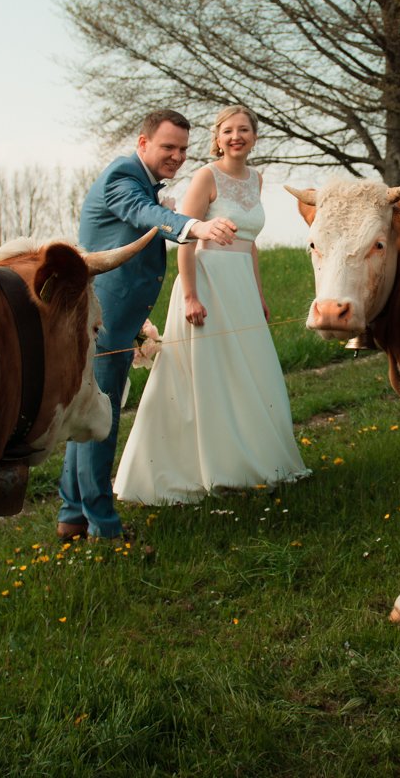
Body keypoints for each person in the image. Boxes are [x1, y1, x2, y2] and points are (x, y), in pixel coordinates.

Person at [114, 105, 310, 504]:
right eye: (228, 131)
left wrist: (258, 295)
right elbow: (185, 237)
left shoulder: (257, 179)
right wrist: (189, 296)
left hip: (241, 285)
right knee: (209, 376)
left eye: (244, 130)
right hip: (207, 283)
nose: (236, 136)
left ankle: (255, 459)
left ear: (254, 136)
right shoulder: (206, 176)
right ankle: (207, 468)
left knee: (250, 374)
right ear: (217, 138)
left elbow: (250, 243)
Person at [58, 109, 238, 542]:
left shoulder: (146, 183)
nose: (176, 157)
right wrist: (195, 225)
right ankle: (103, 525)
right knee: (99, 421)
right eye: (167, 147)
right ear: (143, 144)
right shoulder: (124, 175)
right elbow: (141, 213)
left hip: (116, 320)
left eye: (182, 149)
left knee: (88, 416)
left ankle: (71, 515)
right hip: (102, 323)